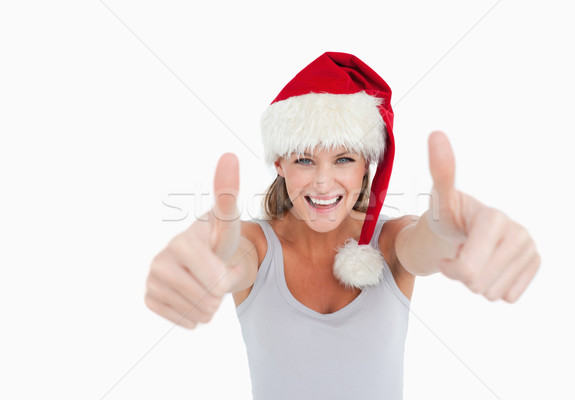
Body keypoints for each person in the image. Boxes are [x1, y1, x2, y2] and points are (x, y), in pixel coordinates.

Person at [144, 52, 541, 399]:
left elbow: (426, 242)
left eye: (344, 159)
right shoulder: (257, 246)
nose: (322, 181)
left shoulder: (388, 241)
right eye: (304, 160)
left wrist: (452, 229)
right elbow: (229, 254)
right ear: (279, 164)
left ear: (367, 163)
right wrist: (205, 253)